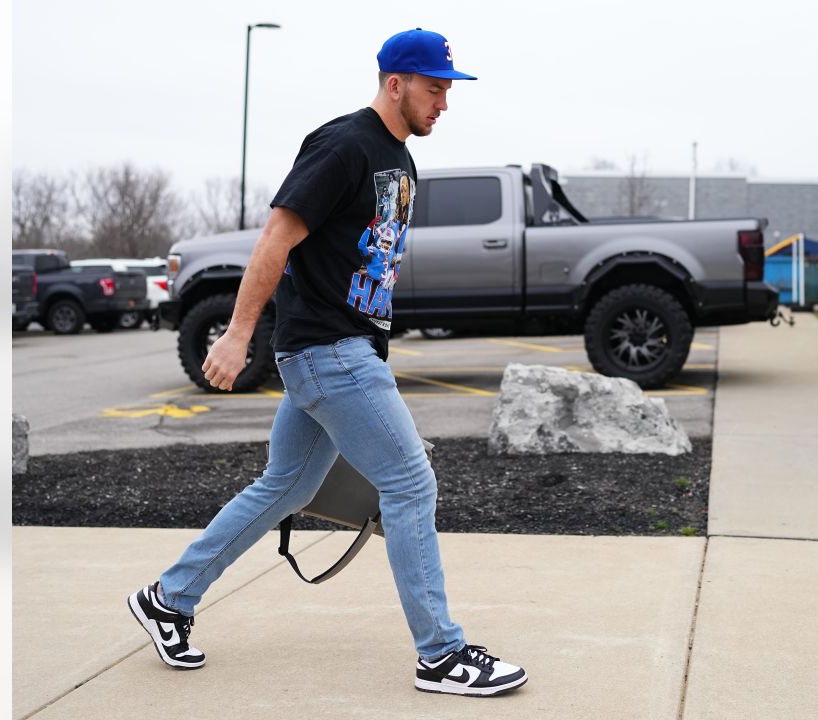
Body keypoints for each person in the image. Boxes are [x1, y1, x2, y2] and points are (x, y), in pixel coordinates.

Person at [126, 28, 528, 698]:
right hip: (326, 352)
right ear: (395, 83)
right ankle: (442, 655)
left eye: (449, 90)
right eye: (434, 89)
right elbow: (278, 236)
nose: (444, 103)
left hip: (346, 349)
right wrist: (237, 334)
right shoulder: (343, 145)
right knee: (410, 485)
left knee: (285, 487)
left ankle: (169, 597)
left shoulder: (400, 159)